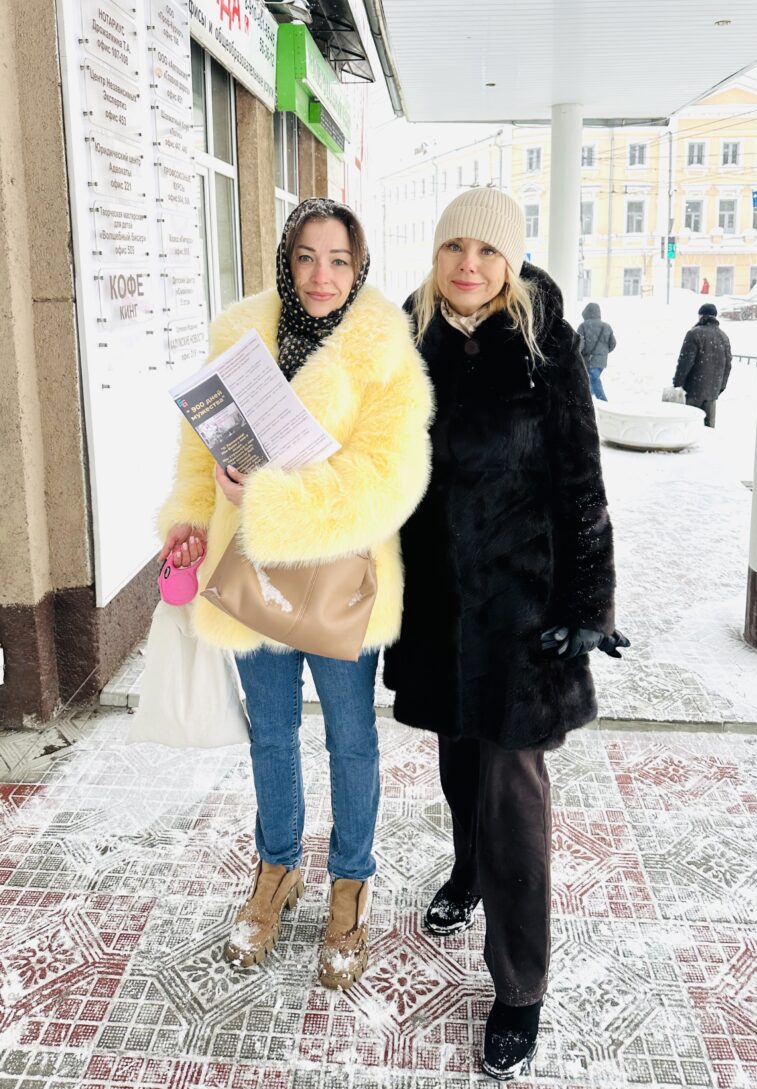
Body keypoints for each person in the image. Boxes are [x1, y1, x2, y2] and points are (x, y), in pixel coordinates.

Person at [383, 188, 628, 1080]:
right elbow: (378, 458)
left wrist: (587, 606)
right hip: (438, 603)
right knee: (458, 761)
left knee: (513, 790)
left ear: (511, 262)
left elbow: (582, 482)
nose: (470, 264)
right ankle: (468, 873)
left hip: (523, 613)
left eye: (489, 250)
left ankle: (520, 985)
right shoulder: (410, 339)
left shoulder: (545, 345)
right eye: (456, 246)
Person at [158, 198, 433, 990]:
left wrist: (272, 499)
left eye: (338, 259)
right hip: (249, 573)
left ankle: (351, 882)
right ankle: (276, 868)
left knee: (351, 739)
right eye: (306, 256)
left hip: (340, 579)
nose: (321, 275)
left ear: (359, 266)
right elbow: (198, 456)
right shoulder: (240, 338)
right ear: (286, 259)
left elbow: (390, 478)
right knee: (272, 735)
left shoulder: (383, 349)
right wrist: (190, 520)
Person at [673, 302, 732, 428]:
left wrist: (677, 383)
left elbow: (685, 362)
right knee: (708, 429)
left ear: (701, 316)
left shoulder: (694, 333)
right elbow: (728, 366)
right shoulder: (724, 337)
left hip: (693, 390)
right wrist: (720, 388)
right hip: (712, 392)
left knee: (689, 427)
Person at [576, 302, 616, 401]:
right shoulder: (606, 326)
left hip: (588, 360)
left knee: (593, 379)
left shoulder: (583, 326)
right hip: (601, 362)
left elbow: (579, 344)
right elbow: (613, 344)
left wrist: (577, 354)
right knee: (592, 379)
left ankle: (602, 400)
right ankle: (587, 400)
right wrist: (603, 353)